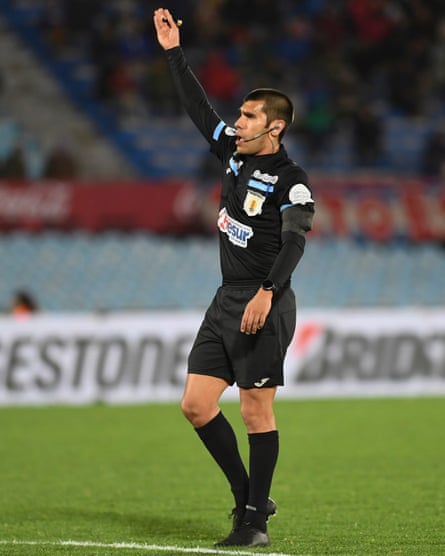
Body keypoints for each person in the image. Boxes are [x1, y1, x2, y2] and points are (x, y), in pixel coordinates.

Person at [153, 8, 315, 548]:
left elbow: (295, 240)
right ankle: (251, 494)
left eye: (248, 117)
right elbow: (199, 110)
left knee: (253, 410)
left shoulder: (292, 181)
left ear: (276, 126)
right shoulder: (233, 154)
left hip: (263, 302)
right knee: (196, 405)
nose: (237, 123)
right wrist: (174, 52)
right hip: (226, 299)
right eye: (239, 116)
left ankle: (254, 523)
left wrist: (269, 293)